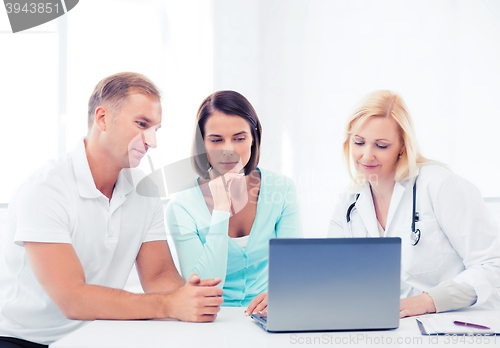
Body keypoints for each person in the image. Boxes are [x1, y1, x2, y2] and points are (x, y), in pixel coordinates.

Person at [0, 72, 223, 348]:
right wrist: (168, 305)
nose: (152, 142)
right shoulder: (45, 191)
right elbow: (73, 299)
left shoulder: (144, 190)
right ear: (103, 118)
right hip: (26, 341)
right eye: (142, 124)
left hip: (99, 335)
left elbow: (158, 276)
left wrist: (189, 297)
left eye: (156, 129)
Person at [328, 90, 500, 318]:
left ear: (402, 145)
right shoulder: (349, 204)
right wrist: (295, 295)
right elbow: (331, 275)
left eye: (381, 146)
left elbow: (492, 266)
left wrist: (429, 301)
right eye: (359, 142)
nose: (366, 156)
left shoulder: (439, 185)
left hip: (450, 325)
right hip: (385, 327)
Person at [166, 90, 302, 314]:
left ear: (253, 138)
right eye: (216, 140)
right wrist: (221, 210)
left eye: (239, 138)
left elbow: (295, 269)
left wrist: (282, 294)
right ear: (202, 144)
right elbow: (203, 286)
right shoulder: (182, 206)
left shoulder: (281, 189)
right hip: (211, 320)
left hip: (268, 314)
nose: (228, 151)